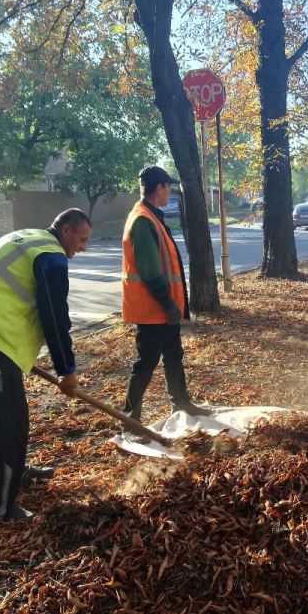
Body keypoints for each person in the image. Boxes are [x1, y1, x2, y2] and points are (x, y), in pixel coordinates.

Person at [0, 208, 92, 523]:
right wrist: (66, 369)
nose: (83, 248)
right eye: (81, 240)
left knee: (4, 415)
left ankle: (14, 473)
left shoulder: (31, 237)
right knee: (3, 424)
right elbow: (54, 316)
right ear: (65, 230)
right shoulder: (50, 255)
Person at [121, 166, 211, 435]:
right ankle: (130, 422)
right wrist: (168, 304)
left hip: (162, 310)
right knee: (145, 363)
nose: (169, 192)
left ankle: (181, 404)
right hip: (152, 310)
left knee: (173, 356)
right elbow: (149, 271)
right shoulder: (143, 220)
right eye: (168, 187)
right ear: (159, 187)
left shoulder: (153, 217)